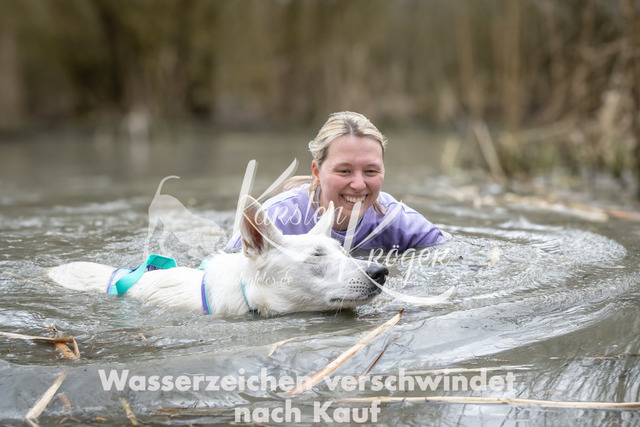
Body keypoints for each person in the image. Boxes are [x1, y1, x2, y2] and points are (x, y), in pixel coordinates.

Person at [227, 111, 447, 252]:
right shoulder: (278, 218)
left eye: (371, 171)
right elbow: (221, 271)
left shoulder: (395, 220)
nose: (359, 184)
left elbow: (452, 256)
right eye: (344, 171)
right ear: (316, 172)